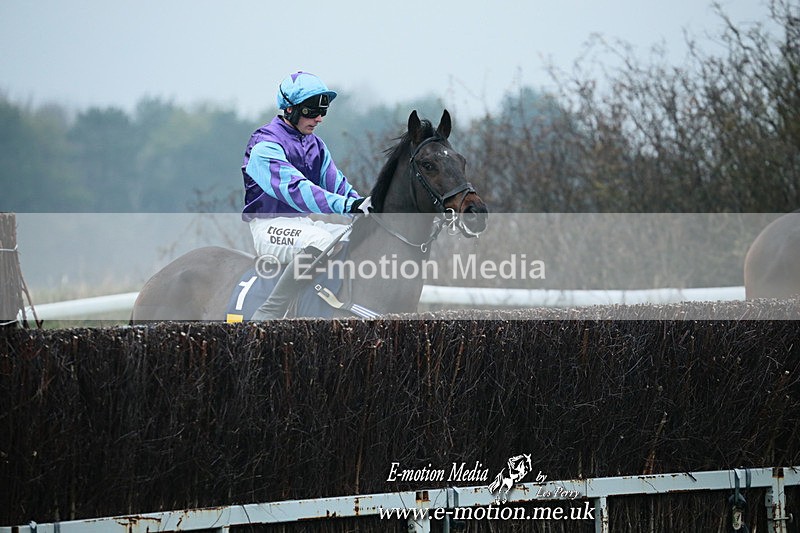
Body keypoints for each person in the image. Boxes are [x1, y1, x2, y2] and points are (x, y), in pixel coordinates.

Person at [241, 71, 371, 319]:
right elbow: (297, 190)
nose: (319, 118)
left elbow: (337, 184)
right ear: (290, 109)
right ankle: (270, 310)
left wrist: (363, 206)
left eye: (323, 112)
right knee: (320, 242)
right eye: (312, 111)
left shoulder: (316, 145)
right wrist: (348, 205)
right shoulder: (264, 144)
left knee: (355, 237)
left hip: (302, 225)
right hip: (269, 227)